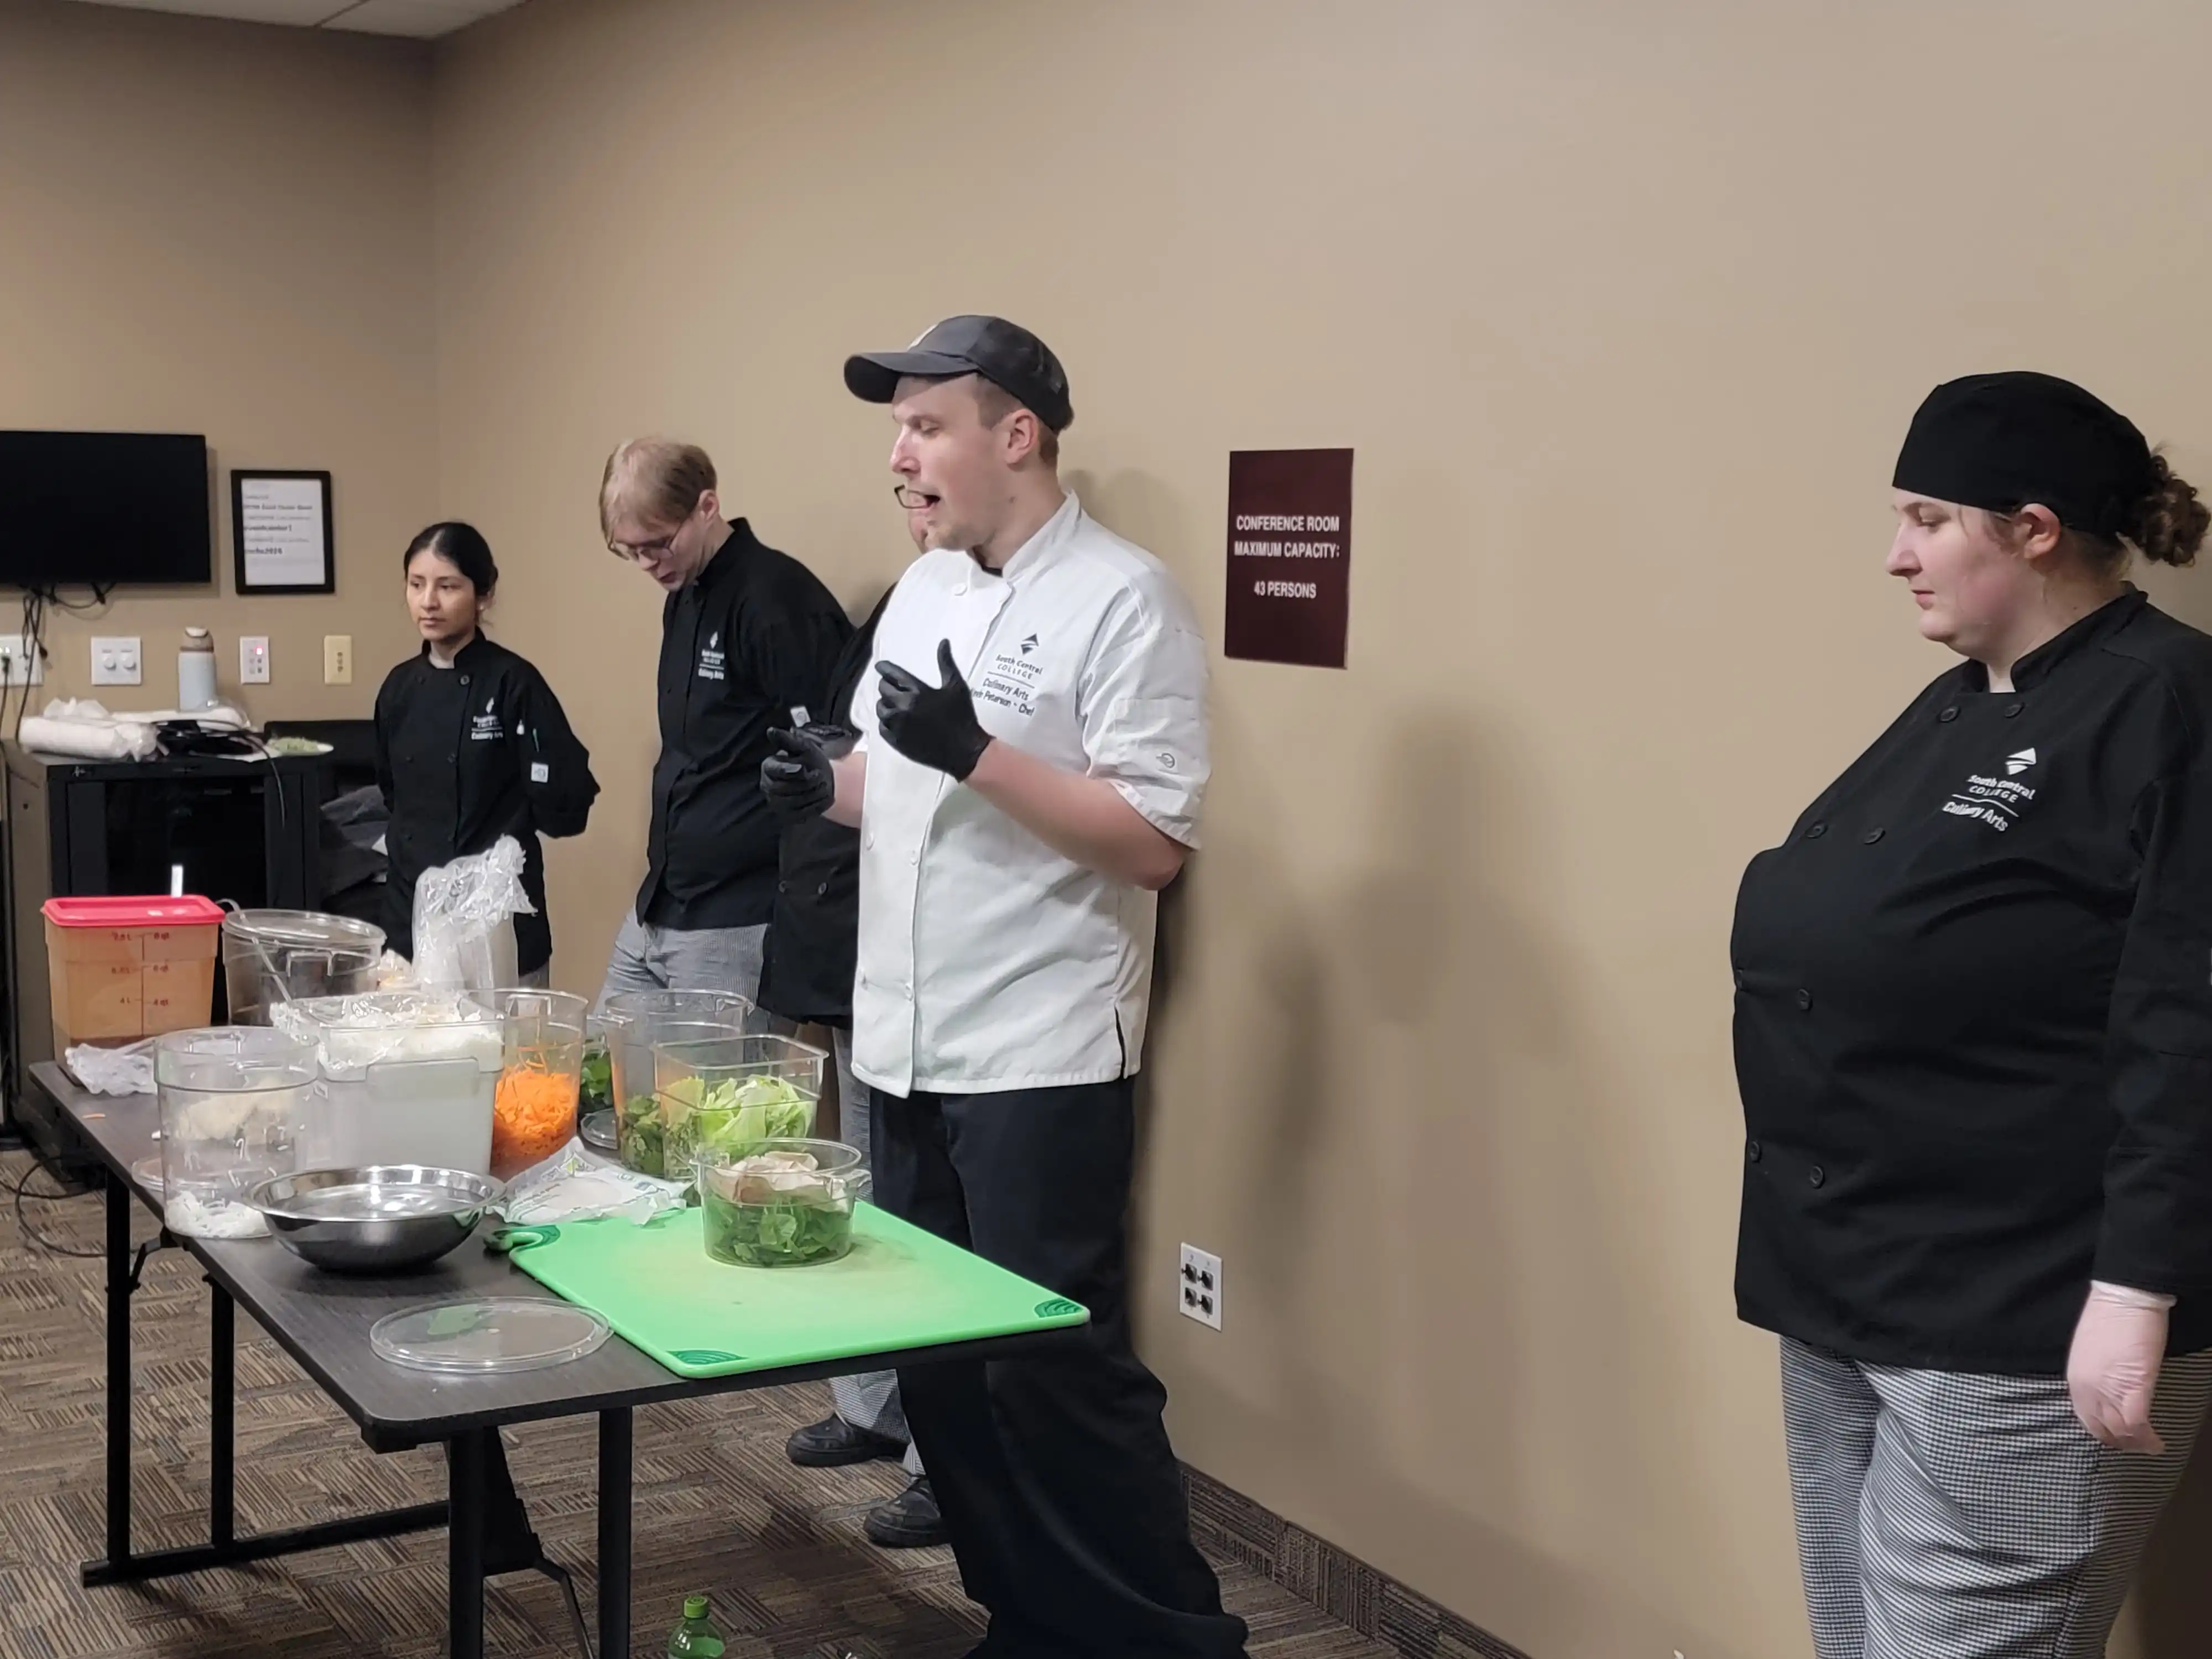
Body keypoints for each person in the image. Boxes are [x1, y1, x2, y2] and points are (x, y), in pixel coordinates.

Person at [763, 316, 1246, 1659]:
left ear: (1015, 434)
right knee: (940, 1368)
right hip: (907, 1038)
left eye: (925, 427)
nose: (899, 458)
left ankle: (1175, 1642)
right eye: (897, 432)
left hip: (1039, 1048)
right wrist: (826, 783)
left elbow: (1150, 843)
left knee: (1053, 1375)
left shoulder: (1124, 597)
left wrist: (975, 750)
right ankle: (1029, 1621)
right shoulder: (925, 592)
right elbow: (896, 783)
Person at [1731, 371, 2212, 1659]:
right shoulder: (1966, 693)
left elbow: (2186, 1019)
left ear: (2033, 529)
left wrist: (2137, 1285)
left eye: (1926, 519)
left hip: (2019, 1310)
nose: (1895, 555)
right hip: (1849, 1277)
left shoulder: (2166, 703)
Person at [759, 587, 944, 1548]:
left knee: (932, 1229)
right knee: (863, 1197)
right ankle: (876, 1408)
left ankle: (942, 1463)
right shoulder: (897, 614)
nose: (922, 518)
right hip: (856, 955)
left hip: (961, 997)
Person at [596, 439, 850, 1008]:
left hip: (740, 916)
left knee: (715, 1074)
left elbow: (831, 757)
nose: (648, 564)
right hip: (664, 900)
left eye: (659, 543)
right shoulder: (682, 594)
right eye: (631, 551)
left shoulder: (775, 600)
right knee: (598, 1058)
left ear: (707, 507)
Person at [374, 521, 598, 988]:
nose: (428, 601)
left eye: (447, 586)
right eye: (416, 585)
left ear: (484, 594)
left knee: (508, 1035)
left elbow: (565, 798)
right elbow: (394, 793)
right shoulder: (398, 688)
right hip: (409, 917)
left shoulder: (514, 683)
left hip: (497, 924)